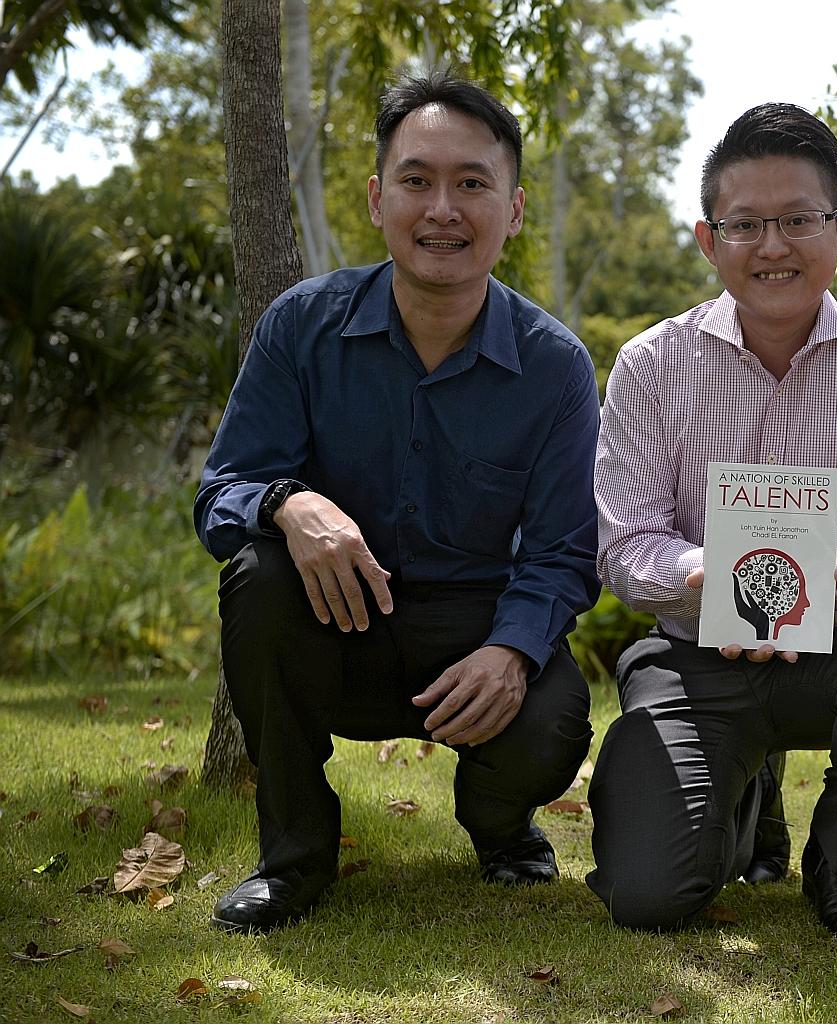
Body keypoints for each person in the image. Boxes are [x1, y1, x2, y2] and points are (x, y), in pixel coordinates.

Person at [193, 71, 600, 934]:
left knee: (556, 711)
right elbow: (219, 497)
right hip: (333, 624)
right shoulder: (299, 326)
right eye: (417, 181)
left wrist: (513, 652)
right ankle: (293, 860)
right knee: (259, 574)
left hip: (470, 634)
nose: (442, 209)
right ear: (379, 199)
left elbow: (565, 553)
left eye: (472, 184)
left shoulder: (557, 365)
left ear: (514, 209)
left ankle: (500, 829)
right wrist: (288, 505)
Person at [586, 103, 837, 946]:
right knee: (648, 896)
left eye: (798, 220)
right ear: (706, 238)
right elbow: (624, 545)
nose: (772, 247)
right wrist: (702, 571)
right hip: (694, 653)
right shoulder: (652, 366)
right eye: (746, 225)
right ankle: (743, 799)